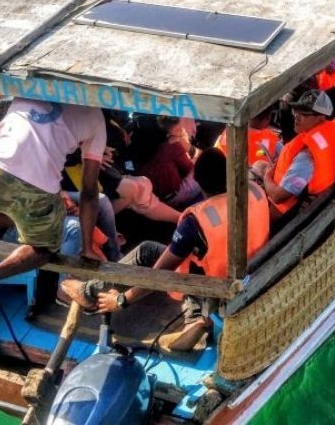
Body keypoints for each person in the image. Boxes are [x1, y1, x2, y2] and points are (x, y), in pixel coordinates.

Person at [61, 148, 270, 352]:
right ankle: (195, 318)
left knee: (148, 250)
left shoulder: (196, 220)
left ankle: (89, 291)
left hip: (216, 286)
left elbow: (160, 274)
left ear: (198, 182)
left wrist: (122, 300)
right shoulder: (256, 190)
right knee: (195, 254)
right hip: (253, 271)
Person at [0, 99, 107, 332]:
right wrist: (88, 247)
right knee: (44, 249)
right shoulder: (97, 119)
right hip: (37, 193)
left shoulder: (31, 86)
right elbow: (89, 193)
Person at [251, 89, 335, 221]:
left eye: (304, 114)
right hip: (318, 199)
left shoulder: (306, 157)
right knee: (259, 165)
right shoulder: (333, 131)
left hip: (285, 216)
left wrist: (266, 177)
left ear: (321, 117)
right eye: (296, 111)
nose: (296, 117)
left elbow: (278, 196)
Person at [137, 116, 202, 209]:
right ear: (178, 127)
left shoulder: (163, 144)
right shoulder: (175, 144)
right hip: (175, 197)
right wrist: (197, 156)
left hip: (158, 195)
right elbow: (189, 168)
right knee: (205, 167)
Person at [215, 106, 280, 166]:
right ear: (267, 118)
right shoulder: (273, 138)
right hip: (258, 175)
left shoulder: (228, 132)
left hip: (226, 173)